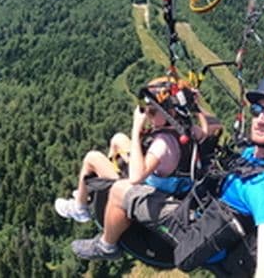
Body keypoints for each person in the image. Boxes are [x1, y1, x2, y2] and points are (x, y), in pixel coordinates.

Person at [172, 71, 264, 277]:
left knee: (129, 195)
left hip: (203, 240)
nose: (260, 120)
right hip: (209, 212)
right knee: (212, 131)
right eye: (257, 110)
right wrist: (195, 109)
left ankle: (109, 244)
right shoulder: (258, 153)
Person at [62, 75, 215, 260]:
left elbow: (136, 178)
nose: (147, 116)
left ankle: (81, 209)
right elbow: (210, 129)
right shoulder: (188, 129)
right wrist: (196, 107)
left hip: (147, 189)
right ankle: (98, 194)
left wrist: (136, 128)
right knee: (118, 139)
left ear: (169, 112)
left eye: (151, 112)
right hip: (172, 184)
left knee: (91, 158)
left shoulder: (163, 144)